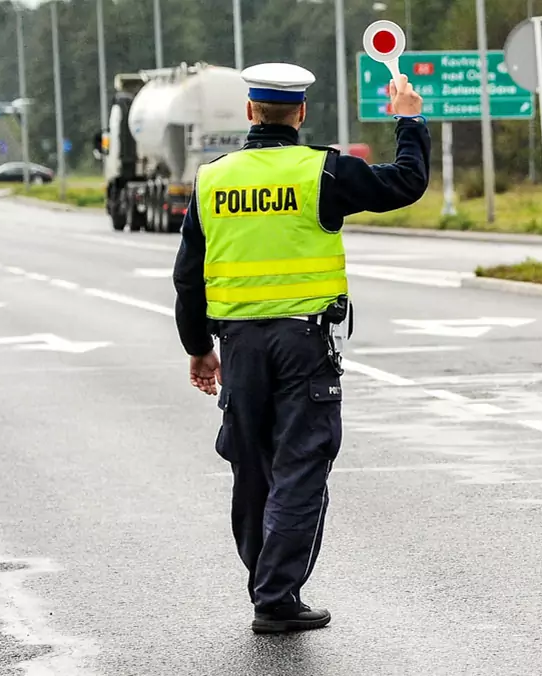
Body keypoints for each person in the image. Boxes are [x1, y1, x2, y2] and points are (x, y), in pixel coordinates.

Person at [172, 61, 429, 634]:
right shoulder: (323, 173)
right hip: (303, 344)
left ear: (249, 112)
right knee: (301, 464)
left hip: (238, 345)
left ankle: (264, 580)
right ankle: (276, 596)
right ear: (302, 113)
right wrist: (409, 120)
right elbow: (406, 181)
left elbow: (188, 276)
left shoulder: (214, 179)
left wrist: (197, 347)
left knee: (252, 467)